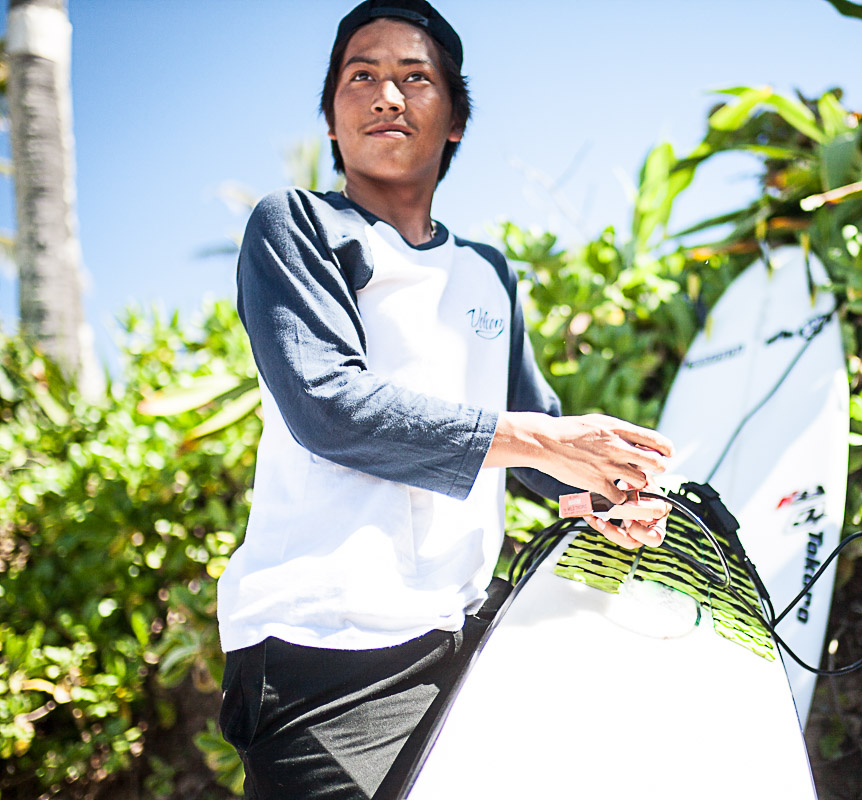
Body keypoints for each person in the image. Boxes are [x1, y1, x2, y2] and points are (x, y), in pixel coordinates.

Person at [215, 2, 673, 797]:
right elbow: (328, 405)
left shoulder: (487, 272)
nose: (387, 95)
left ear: (456, 119)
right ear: (331, 117)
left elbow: (535, 452)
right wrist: (547, 443)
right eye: (361, 75)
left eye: (415, 77)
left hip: (468, 635)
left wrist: (607, 494)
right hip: (322, 647)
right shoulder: (298, 226)